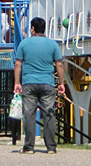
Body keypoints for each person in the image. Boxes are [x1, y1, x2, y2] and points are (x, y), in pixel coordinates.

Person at [14, 17, 65, 154]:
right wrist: (61, 83)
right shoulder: (52, 44)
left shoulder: (24, 44)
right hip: (47, 83)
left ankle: (29, 147)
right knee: (49, 113)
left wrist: (17, 82)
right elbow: (59, 64)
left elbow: (18, 64)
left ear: (32, 29)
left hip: (29, 82)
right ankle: (51, 147)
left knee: (29, 114)